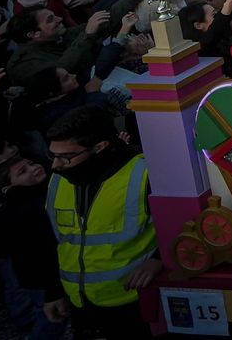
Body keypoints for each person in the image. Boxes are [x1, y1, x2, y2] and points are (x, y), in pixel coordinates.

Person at [44, 105, 160, 339]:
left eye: (65, 157)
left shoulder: (145, 174)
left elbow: (182, 225)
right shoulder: (58, 180)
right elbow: (52, 239)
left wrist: (159, 261)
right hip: (80, 307)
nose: (55, 165)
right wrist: (53, 291)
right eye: (52, 155)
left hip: (133, 304)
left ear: (100, 147)